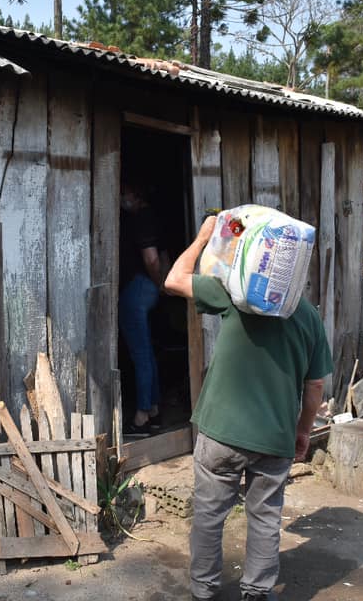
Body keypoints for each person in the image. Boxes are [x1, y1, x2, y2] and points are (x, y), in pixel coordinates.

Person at [164, 216, 332, 601]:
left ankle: (204, 590)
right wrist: (302, 432)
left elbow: (174, 279)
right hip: (274, 438)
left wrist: (205, 237)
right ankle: (257, 591)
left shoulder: (235, 296)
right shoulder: (309, 318)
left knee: (209, 514)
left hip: (221, 432)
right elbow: (315, 385)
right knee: (266, 515)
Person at [118, 179, 168, 435]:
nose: (121, 197)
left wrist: (160, 282)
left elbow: (151, 258)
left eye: (124, 191)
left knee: (140, 354)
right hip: (145, 289)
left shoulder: (141, 218)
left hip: (137, 288)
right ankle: (154, 412)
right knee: (146, 352)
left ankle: (141, 417)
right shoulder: (151, 217)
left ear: (136, 194)